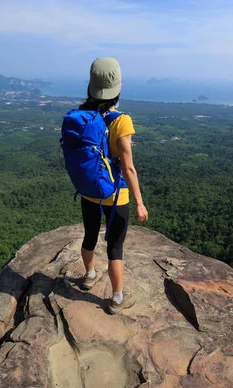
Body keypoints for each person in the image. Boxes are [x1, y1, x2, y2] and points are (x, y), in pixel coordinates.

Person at [77, 57, 149, 314]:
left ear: (91, 87)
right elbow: (128, 167)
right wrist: (140, 202)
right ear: (118, 89)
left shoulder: (83, 116)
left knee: (89, 235)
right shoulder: (122, 121)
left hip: (89, 191)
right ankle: (117, 298)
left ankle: (88, 276)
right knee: (115, 247)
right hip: (116, 194)